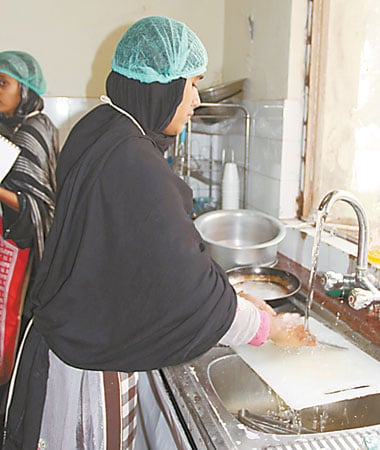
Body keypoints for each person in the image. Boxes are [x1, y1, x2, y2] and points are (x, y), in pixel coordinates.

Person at [2, 17, 315, 450]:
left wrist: (237, 297)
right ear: (163, 85)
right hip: (90, 372)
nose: (197, 100)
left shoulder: (101, 128)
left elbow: (151, 253)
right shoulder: (133, 161)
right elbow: (187, 293)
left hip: (66, 337)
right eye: (192, 84)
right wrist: (270, 327)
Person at [0, 51, 58, 388]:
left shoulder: (33, 131)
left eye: (3, 83)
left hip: (27, 253)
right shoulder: (13, 128)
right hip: (12, 248)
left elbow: (34, 206)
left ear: (25, 90)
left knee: (15, 328)